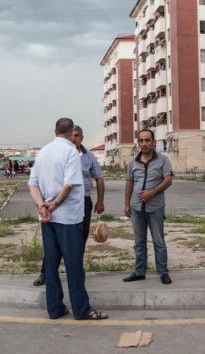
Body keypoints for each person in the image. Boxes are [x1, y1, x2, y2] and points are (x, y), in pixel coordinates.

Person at [27, 118, 107, 320]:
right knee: (74, 264)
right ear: (72, 134)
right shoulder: (71, 151)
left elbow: (32, 184)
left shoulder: (43, 151)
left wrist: (42, 206)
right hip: (68, 217)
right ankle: (81, 309)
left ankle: (55, 308)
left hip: (46, 218)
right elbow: (69, 184)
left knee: (52, 265)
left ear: (55, 131)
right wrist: (53, 205)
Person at [123, 129, 173, 285]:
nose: (144, 144)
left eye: (147, 140)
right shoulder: (133, 161)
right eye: (141, 141)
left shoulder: (163, 160)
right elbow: (129, 182)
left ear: (153, 142)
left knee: (158, 241)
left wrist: (152, 193)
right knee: (139, 242)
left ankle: (163, 272)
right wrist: (127, 204)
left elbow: (168, 180)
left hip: (155, 208)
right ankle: (139, 271)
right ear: (138, 143)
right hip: (137, 208)